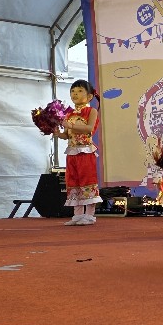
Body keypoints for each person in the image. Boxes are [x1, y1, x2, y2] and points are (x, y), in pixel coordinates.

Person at [58, 79, 102, 225]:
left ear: (89, 96)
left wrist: (70, 125)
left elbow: (89, 128)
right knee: (73, 181)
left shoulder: (91, 111)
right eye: (73, 91)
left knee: (87, 181)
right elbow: (66, 135)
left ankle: (89, 215)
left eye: (80, 91)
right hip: (72, 152)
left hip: (86, 151)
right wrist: (57, 132)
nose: (75, 94)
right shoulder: (68, 113)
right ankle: (77, 215)